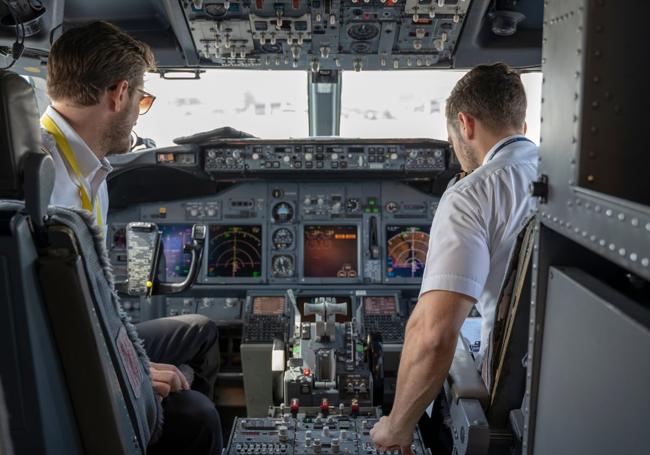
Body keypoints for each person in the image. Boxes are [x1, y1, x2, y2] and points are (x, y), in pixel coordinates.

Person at [42, 21, 222, 454]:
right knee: (198, 416)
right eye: (142, 98)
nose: (140, 110)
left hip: (90, 334)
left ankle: (165, 389)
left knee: (199, 329)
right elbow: (48, 326)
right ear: (119, 94)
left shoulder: (86, 168)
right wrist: (129, 373)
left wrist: (133, 362)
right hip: (64, 359)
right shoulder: (43, 182)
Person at [370, 63, 538, 453]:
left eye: (451, 142)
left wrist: (396, 427)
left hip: (506, 399)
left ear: (465, 124)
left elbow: (434, 335)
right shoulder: (569, 179)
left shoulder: (472, 193)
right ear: (522, 127)